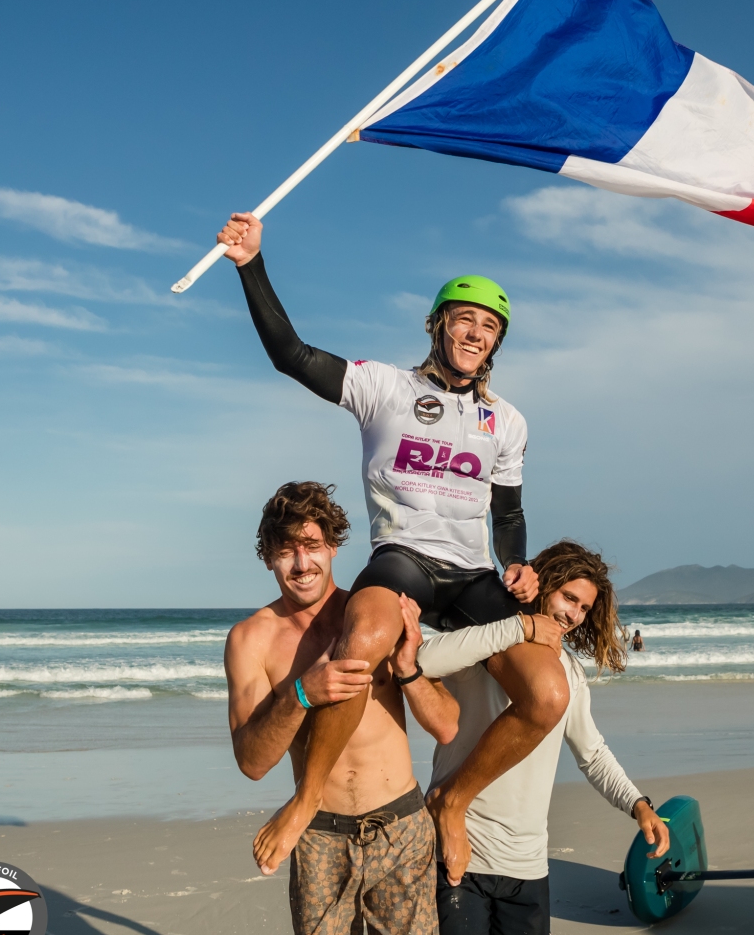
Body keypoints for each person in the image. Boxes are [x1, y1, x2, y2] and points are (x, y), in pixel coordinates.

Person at [218, 212, 571, 881]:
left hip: (473, 575)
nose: (475, 332)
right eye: (464, 319)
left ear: (496, 342)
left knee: (549, 693)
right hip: (403, 557)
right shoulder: (383, 387)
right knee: (362, 643)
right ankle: (307, 797)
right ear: (438, 324)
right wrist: (251, 264)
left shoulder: (507, 421)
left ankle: (452, 800)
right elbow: (291, 355)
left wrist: (519, 564)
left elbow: (509, 513)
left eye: (489, 326)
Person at [401, 540, 671, 935]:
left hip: (526, 866)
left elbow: (593, 753)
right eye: (569, 598)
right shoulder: (489, 644)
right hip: (459, 855)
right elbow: (423, 660)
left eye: (584, 608)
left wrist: (638, 804)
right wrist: (516, 628)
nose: (574, 614)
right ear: (542, 586)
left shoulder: (568, 674)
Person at [226, 481, 446, 935]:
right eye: (286, 551)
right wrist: (302, 693)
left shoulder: (375, 615)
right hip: (319, 835)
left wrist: (410, 668)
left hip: (400, 827)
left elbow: (447, 723)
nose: (301, 564)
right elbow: (252, 762)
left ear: (333, 547)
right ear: (268, 558)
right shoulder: (251, 639)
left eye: (312, 546)